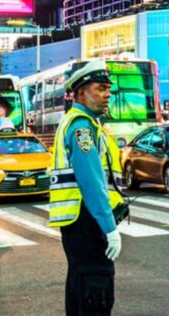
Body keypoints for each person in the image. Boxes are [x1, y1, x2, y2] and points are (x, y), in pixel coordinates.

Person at [49, 59, 128, 316]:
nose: (108, 95)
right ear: (81, 93)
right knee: (96, 288)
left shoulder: (84, 124)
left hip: (78, 220)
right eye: (100, 88)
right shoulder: (82, 128)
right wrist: (109, 227)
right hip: (86, 220)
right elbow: (92, 182)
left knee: (80, 286)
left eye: (108, 89)